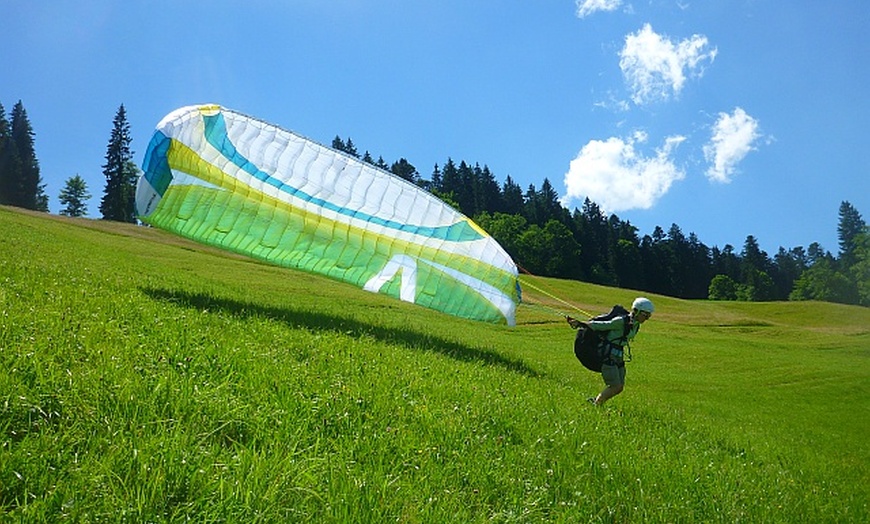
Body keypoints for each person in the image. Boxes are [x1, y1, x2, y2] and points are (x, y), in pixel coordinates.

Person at [567, 297, 654, 406]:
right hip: (608, 355)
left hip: (619, 356)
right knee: (615, 386)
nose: (646, 318)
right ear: (636, 311)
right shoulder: (620, 321)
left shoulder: (636, 325)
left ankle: (596, 402)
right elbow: (600, 326)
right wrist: (579, 324)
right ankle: (596, 404)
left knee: (620, 387)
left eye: (648, 316)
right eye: (645, 315)